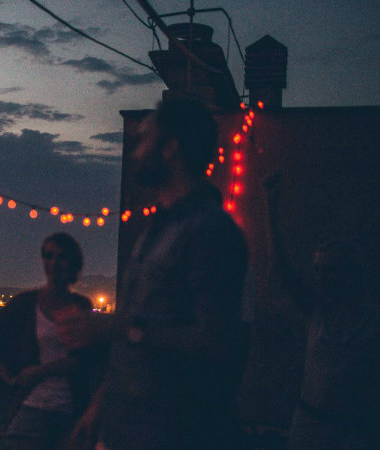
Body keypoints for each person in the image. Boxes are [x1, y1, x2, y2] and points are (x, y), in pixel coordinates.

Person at [68, 98, 249, 449]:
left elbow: (218, 343)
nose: (136, 151)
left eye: (144, 139)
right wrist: (100, 405)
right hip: (129, 428)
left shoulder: (210, 231)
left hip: (173, 432)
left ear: (170, 148)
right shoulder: (158, 229)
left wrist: (121, 327)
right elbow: (140, 330)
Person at [264, 174, 380, 449]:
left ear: (351, 273)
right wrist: (271, 210)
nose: (321, 278)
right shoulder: (318, 313)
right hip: (308, 426)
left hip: (354, 432)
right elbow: (282, 270)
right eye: (317, 270)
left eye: (330, 270)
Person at [0, 232, 108, 450]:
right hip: (32, 407)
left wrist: (39, 371)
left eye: (61, 256)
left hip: (71, 408)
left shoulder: (80, 304)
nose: (54, 262)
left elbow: (83, 360)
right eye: (49, 256)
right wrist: (10, 378)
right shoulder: (26, 303)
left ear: (73, 262)